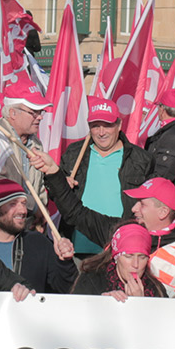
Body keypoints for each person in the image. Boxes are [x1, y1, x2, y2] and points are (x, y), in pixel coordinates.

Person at [30, 148, 175, 299]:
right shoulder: (121, 231)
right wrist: (53, 173)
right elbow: (77, 213)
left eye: (142, 204)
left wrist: (144, 305)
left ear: (163, 212)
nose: (134, 208)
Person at [58, 96, 154, 255]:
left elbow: (150, 202)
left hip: (121, 244)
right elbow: (56, 195)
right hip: (78, 243)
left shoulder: (141, 159)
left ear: (119, 125)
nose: (101, 132)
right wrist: (61, 186)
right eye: (95, 126)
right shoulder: (74, 154)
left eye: (107, 126)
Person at [0, 179, 77, 294]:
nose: (23, 211)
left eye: (24, 203)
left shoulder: (38, 243)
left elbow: (68, 290)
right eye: (13, 204)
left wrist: (65, 262)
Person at [72, 222, 166, 301]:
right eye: (129, 256)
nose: (135, 264)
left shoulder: (157, 290)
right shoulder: (91, 281)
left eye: (142, 257)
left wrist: (140, 303)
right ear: (116, 257)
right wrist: (102, 303)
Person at [0, 77, 52, 212]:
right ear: (13, 113)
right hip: (4, 218)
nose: (40, 117)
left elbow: (39, 186)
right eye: (33, 112)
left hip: (30, 220)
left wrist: (42, 208)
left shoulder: (35, 143)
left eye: (41, 111)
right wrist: (34, 207)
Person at [144, 88, 175, 183]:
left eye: (159, 106)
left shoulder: (173, 135)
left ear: (162, 109)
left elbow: (162, 174)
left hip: (159, 189)